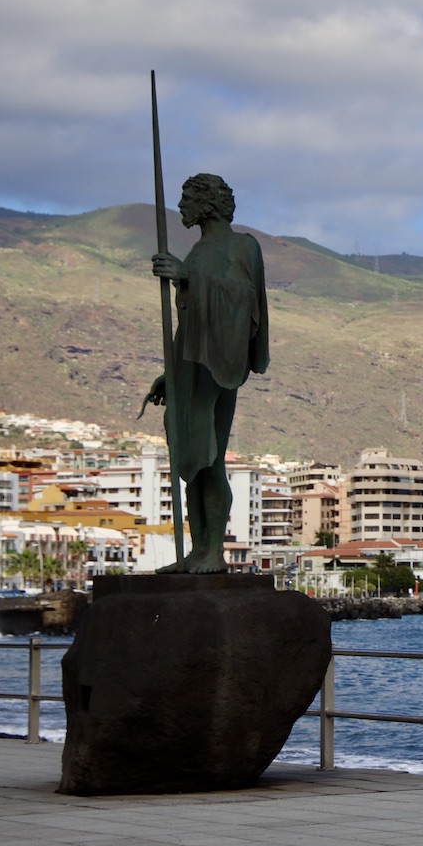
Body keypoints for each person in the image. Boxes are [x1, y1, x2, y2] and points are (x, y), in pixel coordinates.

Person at [142, 173, 270, 572]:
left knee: (210, 456)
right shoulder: (198, 251)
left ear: (208, 202)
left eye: (186, 199)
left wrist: (187, 277)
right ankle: (197, 551)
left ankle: (214, 549)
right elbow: (191, 323)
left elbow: (242, 299)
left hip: (219, 365)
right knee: (190, 458)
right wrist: (172, 372)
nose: (180, 207)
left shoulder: (241, 246)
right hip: (189, 363)